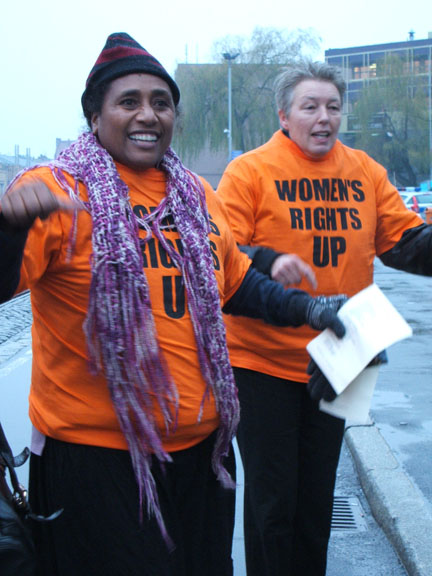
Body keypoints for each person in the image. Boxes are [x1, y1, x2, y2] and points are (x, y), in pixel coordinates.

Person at [0, 37, 347, 576]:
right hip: (99, 465)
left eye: (161, 102)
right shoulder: (53, 191)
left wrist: (310, 310)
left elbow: (236, 284)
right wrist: (6, 229)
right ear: (95, 116)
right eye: (129, 101)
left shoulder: (193, 196)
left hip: (202, 459)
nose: (148, 114)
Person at [217, 59, 432, 576]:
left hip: (340, 357)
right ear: (284, 116)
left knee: (316, 502)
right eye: (310, 106)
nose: (324, 118)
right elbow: (223, 254)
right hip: (260, 363)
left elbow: (404, 243)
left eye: (333, 106)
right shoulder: (250, 171)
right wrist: (269, 265)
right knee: (273, 506)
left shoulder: (364, 171)